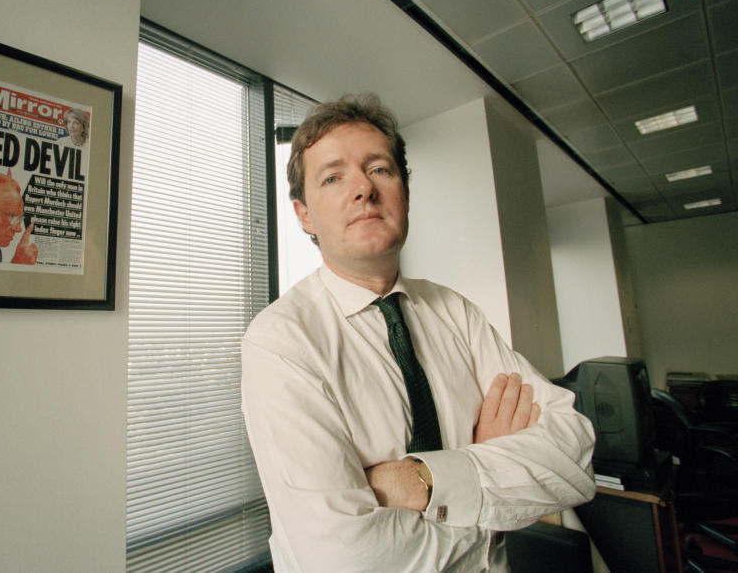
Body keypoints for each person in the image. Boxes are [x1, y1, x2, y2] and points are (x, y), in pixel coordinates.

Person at [240, 94, 595, 572]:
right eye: (333, 177)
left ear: (405, 191)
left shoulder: (454, 312)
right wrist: (486, 486)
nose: (363, 188)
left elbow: (575, 453)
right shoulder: (281, 342)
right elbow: (345, 560)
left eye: (380, 169)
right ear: (305, 214)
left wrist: (422, 480)